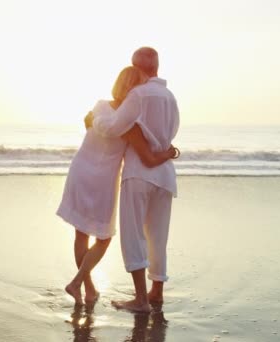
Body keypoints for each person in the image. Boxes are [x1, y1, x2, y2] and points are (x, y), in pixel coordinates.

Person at [57, 65, 179, 305]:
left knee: (82, 234)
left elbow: (96, 125)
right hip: (100, 179)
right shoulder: (130, 121)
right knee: (101, 237)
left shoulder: (101, 107)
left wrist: (94, 121)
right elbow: (145, 154)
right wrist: (169, 153)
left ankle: (86, 289)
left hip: (83, 172)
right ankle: (81, 284)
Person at [88, 47, 180, 313]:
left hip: (139, 173)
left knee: (133, 235)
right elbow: (170, 133)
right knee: (158, 237)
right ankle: (156, 293)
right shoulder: (170, 97)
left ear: (135, 66)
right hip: (164, 173)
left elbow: (114, 126)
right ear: (157, 66)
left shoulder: (138, 94)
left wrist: (97, 118)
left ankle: (140, 299)